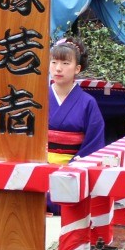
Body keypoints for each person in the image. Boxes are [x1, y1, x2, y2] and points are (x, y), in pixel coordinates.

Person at [46, 37, 106, 166]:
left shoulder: (88, 103)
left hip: (74, 170)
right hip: (38, 167)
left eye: (65, 63)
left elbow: (94, 143)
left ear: (77, 68)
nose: (58, 68)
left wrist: (74, 165)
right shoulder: (38, 99)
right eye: (54, 62)